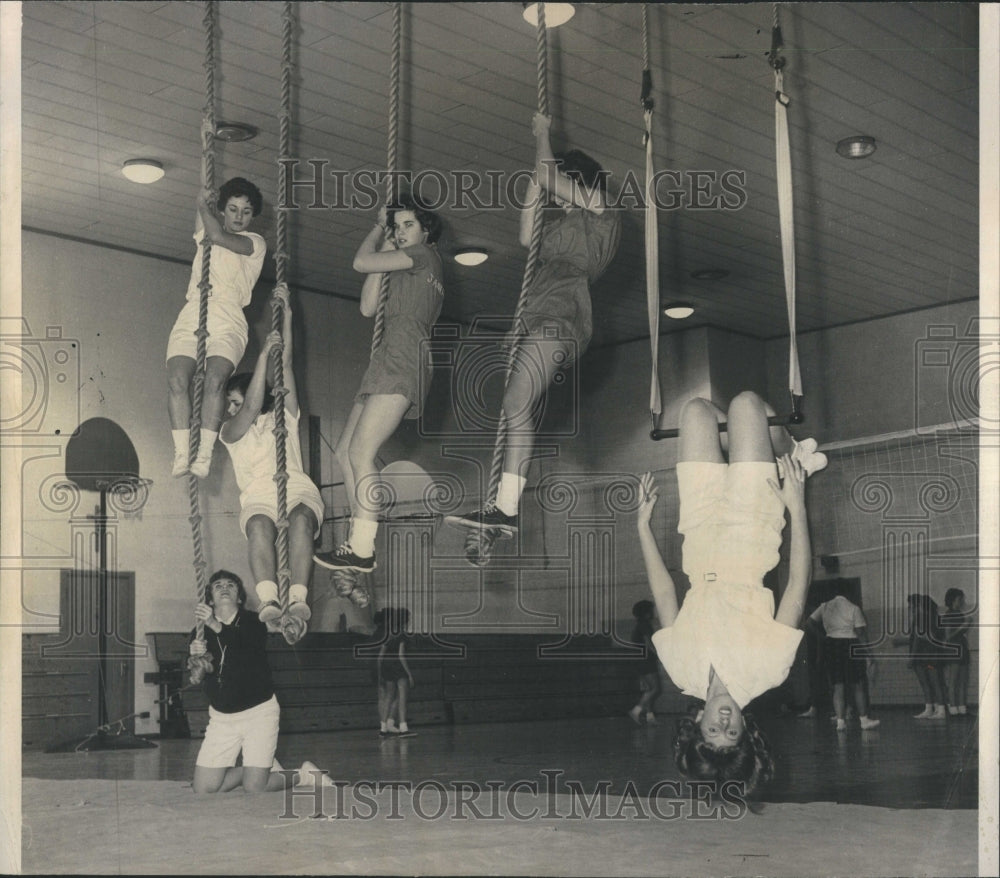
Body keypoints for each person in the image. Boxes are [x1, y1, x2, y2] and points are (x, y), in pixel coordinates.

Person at [636, 391, 827, 797]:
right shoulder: (768, 671)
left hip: (699, 528)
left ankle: (775, 446)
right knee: (746, 405)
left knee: (696, 411)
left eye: (713, 730)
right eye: (732, 733)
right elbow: (798, 584)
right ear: (746, 730)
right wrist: (798, 507)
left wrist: (643, 528)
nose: (723, 723)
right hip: (751, 527)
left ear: (696, 724)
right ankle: (791, 454)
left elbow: (665, 592)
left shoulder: (680, 670)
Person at [447, 112, 621, 535]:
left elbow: (547, 173)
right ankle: (504, 508)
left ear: (577, 181)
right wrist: (536, 180)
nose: (557, 200)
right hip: (542, 317)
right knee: (514, 405)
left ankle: (505, 508)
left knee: (515, 404)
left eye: (562, 188)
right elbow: (527, 236)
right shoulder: (563, 229)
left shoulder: (602, 210)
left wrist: (542, 136)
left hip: (562, 318)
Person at [314, 194, 443, 574]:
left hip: (404, 357)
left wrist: (377, 226)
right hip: (387, 357)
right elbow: (368, 306)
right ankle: (359, 539)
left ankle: (363, 545)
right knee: (344, 453)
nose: (402, 233)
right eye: (398, 225)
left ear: (426, 230)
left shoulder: (425, 255)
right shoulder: (407, 264)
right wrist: (388, 238)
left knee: (362, 453)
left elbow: (359, 261)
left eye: (408, 225)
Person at [219, 284, 323, 644]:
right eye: (229, 403)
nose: (231, 409)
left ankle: (297, 601)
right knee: (260, 525)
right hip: (258, 495)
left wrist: (288, 316)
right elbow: (249, 409)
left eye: (235, 400)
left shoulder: (284, 418)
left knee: (300, 520)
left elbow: (287, 365)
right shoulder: (230, 431)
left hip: (296, 485)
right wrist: (262, 353)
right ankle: (269, 602)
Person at [167, 131, 266, 480]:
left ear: (252, 217)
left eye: (246, 211)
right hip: (194, 309)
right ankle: (182, 455)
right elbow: (205, 194)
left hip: (228, 317)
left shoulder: (254, 242)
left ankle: (204, 456)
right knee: (178, 379)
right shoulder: (207, 226)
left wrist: (202, 207)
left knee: (214, 380)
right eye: (233, 209)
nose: (239, 216)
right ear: (223, 209)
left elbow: (217, 235)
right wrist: (207, 144)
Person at [187, 569, 330, 793]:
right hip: (222, 718)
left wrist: (215, 625)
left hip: (258, 713)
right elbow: (200, 674)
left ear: (240, 597)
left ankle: (304, 775)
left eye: (231, 585)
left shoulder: (254, 622)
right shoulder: (199, 632)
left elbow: (244, 650)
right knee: (203, 789)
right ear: (210, 599)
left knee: (256, 788)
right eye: (218, 586)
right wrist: (194, 657)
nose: (224, 588)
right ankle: (259, 768)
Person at [806, 582, 879, 731]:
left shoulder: (824, 606)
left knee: (837, 685)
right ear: (848, 593)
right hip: (850, 644)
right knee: (857, 684)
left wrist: (822, 637)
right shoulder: (853, 608)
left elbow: (809, 623)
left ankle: (840, 722)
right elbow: (860, 634)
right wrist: (869, 654)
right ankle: (864, 721)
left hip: (831, 645)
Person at [901, 593, 950, 720]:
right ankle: (935, 709)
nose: (910, 607)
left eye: (912, 605)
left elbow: (918, 638)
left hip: (925, 655)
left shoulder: (920, 618)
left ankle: (937, 710)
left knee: (929, 683)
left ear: (919, 606)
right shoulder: (935, 617)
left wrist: (911, 657)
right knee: (935, 682)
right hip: (933, 654)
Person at [628, 600, 661, 726]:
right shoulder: (645, 625)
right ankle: (635, 711)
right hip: (646, 660)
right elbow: (649, 643)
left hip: (639, 660)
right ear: (647, 612)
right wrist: (659, 655)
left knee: (648, 689)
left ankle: (650, 717)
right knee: (655, 688)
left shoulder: (639, 625)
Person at [941, 588, 972, 715]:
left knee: (963, 681)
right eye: (960, 599)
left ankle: (962, 707)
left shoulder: (959, 613)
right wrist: (963, 627)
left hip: (962, 649)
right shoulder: (949, 614)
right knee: (954, 680)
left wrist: (965, 626)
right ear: (953, 599)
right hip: (954, 650)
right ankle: (953, 708)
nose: (962, 601)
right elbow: (948, 636)